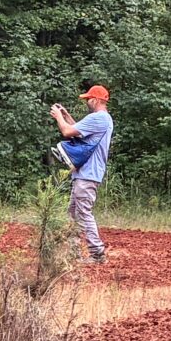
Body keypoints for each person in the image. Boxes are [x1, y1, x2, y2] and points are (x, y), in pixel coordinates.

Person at [49, 84, 114, 265]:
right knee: (72, 213)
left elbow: (67, 131)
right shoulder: (101, 119)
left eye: (88, 99)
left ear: (96, 100)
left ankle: (97, 253)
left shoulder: (99, 118)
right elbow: (78, 130)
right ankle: (74, 253)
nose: (87, 102)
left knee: (83, 213)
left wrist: (59, 117)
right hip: (84, 174)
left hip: (87, 174)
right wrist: (67, 115)